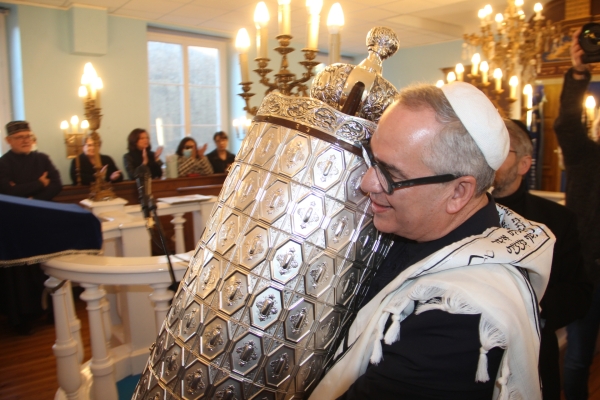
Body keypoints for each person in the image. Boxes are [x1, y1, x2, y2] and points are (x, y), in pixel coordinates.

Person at [309, 82, 554, 400]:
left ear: (458, 192)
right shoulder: (413, 224)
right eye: (371, 158)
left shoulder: (458, 320)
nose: (367, 182)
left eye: (392, 174)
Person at [493, 118, 591, 400]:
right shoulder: (456, 212)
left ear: (524, 164)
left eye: (502, 151)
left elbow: (579, 294)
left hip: (533, 353)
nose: (491, 158)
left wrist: (528, 304)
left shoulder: (558, 220)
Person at [554, 27, 600, 400]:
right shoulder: (587, 158)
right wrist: (579, 74)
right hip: (592, 270)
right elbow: (567, 124)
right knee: (577, 359)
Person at [0, 120, 62, 200]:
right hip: (16, 209)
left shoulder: (42, 158)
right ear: (8, 140)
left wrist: (34, 200)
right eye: (20, 137)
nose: (26, 141)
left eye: (28, 136)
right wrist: (41, 183)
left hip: (45, 207)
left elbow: (57, 185)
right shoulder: (3, 163)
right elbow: (8, 191)